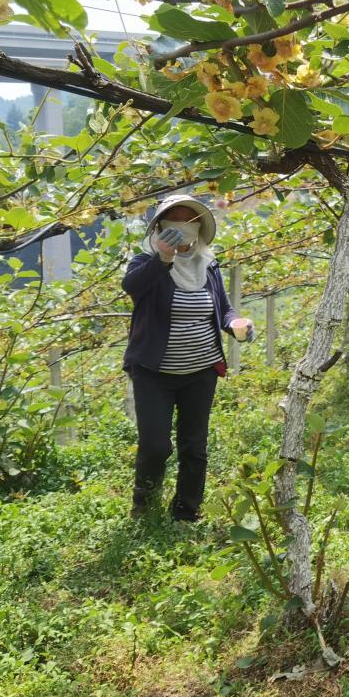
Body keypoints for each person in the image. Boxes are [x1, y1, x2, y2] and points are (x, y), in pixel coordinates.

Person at [123, 194, 252, 522]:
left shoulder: (207, 264)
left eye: (188, 221)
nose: (181, 228)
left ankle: (186, 510)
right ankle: (144, 505)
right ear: (161, 227)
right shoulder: (146, 262)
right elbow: (132, 286)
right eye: (174, 221)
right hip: (154, 373)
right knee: (155, 444)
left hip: (201, 371)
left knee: (194, 446)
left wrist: (236, 323)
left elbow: (223, 307)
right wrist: (162, 259)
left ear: (198, 228)